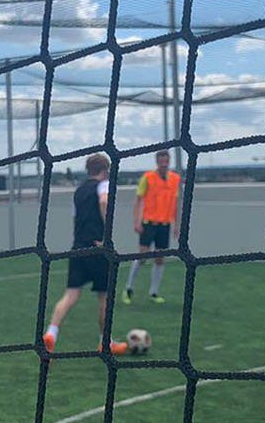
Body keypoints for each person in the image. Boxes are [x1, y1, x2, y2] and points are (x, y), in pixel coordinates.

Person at [44, 153, 127, 356]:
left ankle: (51, 334)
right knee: (104, 296)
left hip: (79, 247)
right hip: (98, 248)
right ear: (105, 170)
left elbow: (75, 220)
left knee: (70, 295)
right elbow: (104, 202)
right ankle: (105, 342)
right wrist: (107, 236)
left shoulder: (78, 191)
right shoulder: (104, 185)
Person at [123, 149, 181, 305]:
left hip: (165, 225)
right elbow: (138, 200)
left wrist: (176, 225)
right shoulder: (148, 178)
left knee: (160, 258)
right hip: (149, 223)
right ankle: (129, 288)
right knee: (142, 256)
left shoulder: (175, 179)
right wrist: (136, 221)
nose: (164, 164)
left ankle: (154, 292)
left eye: (166, 161)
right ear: (157, 162)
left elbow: (175, 204)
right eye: (161, 161)